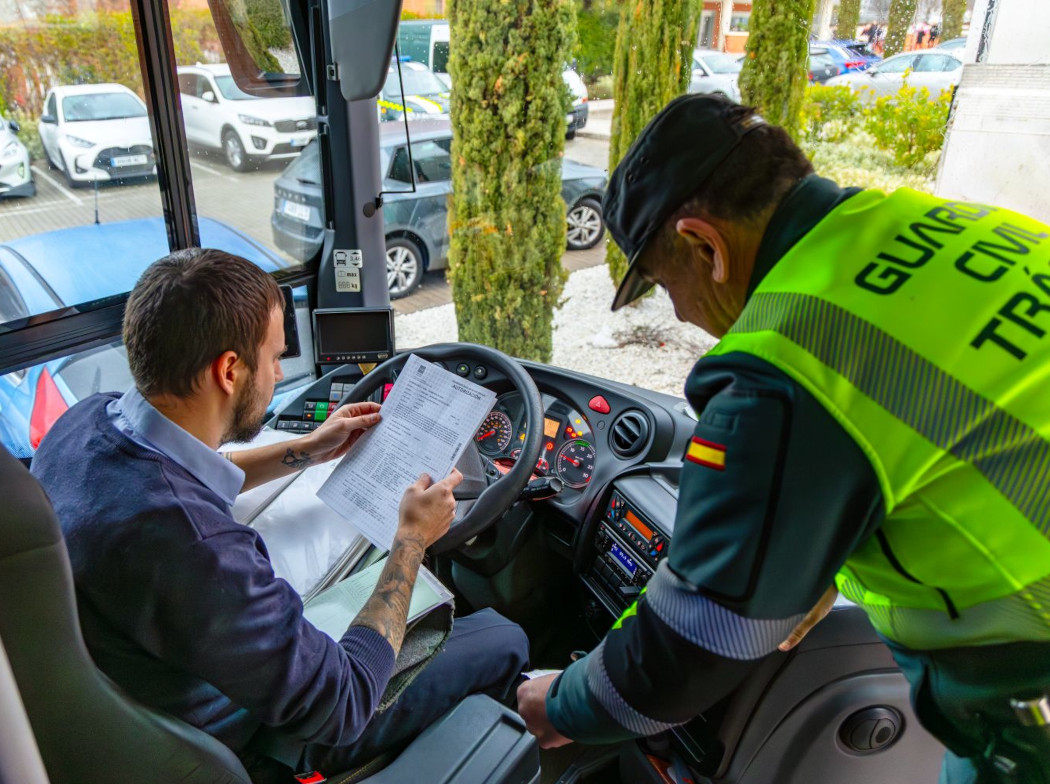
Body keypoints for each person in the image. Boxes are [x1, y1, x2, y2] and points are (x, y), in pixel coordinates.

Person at [516, 94, 1050, 784]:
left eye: (664, 285)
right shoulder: (958, 224)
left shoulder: (787, 366)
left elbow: (697, 640)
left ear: (705, 246)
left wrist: (559, 705)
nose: (680, 311)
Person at [31, 248, 529, 781]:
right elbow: (345, 703)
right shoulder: (199, 551)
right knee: (503, 638)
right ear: (228, 370)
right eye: (274, 358)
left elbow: (186, 473)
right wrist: (411, 539)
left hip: (136, 693)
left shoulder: (83, 423)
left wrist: (307, 450)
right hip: (245, 738)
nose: (278, 373)